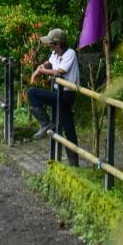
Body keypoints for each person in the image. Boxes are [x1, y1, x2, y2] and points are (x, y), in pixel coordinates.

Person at [27, 28, 80, 166]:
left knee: (32, 92)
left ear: (57, 44)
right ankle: (73, 163)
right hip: (58, 92)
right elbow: (49, 63)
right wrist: (41, 67)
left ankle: (45, 123)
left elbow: (58, 72)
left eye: (50, 43)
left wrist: (41, 71)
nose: (48, 45)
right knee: (68, 127)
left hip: (66, 94)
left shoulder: (70, 54)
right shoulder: (54, 54)